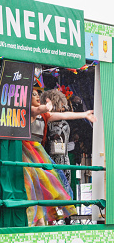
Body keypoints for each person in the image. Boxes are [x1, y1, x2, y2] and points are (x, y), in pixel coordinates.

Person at [25, 88, 97, 226]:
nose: (37, 96)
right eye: (34, 95)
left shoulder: (46, 116)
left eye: (38, 94)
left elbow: (66, 116)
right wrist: (46, 107)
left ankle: (49, 221)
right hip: (29, 152)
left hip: (43, 154)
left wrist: (84, 114)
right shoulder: (30, 112)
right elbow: (35, 111)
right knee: (36, 187)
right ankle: (39, 221)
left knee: (50, 187)